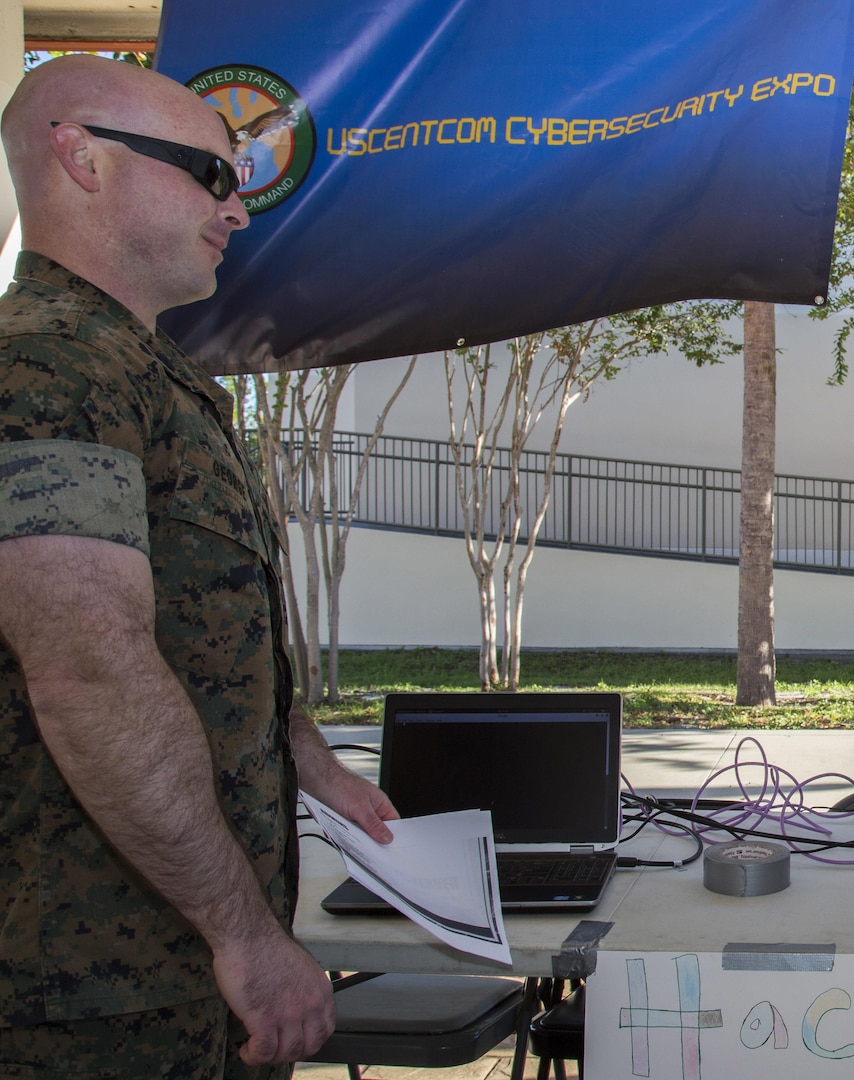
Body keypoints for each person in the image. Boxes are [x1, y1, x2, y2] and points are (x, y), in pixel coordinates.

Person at [0, 55, 398, 1077]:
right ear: (80, 157)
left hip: (165, 974)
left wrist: (302, 752)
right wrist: (249, 938)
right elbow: (88, 667)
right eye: (214, 175)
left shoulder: (137, 370)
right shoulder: (47, 367)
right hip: (86, 992)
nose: (240, 211)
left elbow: (197, 630)